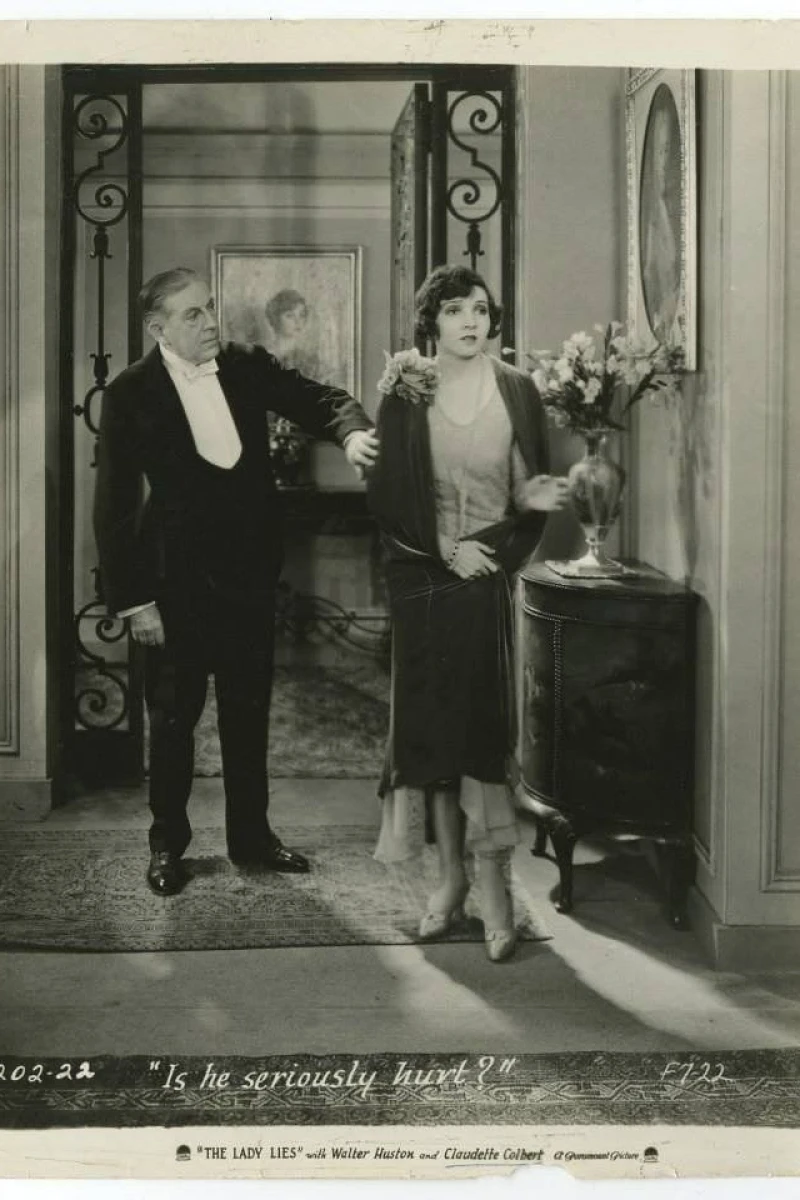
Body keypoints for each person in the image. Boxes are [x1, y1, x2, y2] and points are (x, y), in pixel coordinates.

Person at [93, 266, 379, 897]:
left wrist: (353, 430)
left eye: (210, 307)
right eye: (192, 314)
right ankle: (167, 845)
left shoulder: (245, 364)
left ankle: (251, 838)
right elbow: (113, 506)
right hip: (172, 587)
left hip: (248, 579)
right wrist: (135, 602)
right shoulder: (130, 392)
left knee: (248, 715)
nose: (209, 322)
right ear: (158, 328)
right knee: (174, 721)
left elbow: (319, 399)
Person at [366, 265, 569, 963]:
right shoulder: (406, 390)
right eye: (454, 310)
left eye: (479, 309)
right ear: (432, 322)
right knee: (431, 738)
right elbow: (389, 498)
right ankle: (449, 883)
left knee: (478, 736)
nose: (470, 321)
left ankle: (495, 891)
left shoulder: (517, 389)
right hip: (421, 580)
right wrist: (442, 550)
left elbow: (529, 495)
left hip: (483, 580)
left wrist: (498, 547)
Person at [264, 288, 324, 380]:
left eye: (301, 315)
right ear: (276, 318)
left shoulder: (310, 361)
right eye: (290, 316)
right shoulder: (262, 357)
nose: (298, 321)